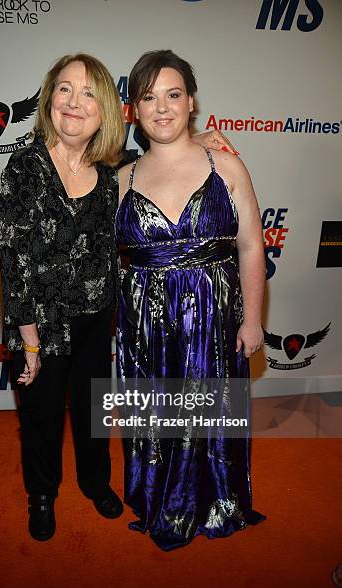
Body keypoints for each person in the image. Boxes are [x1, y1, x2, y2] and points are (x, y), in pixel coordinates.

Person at [0, 52, 235, 542]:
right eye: (65, 89)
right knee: (40, 417)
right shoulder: (23, 166)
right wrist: (31, 343)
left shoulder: (113, 168)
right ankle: (41, 496)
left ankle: (95, 483)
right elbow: (14, 264)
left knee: (92, 411)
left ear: (106, 110)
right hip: (37, 324)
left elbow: (166, 150)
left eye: (89, 93)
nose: (74, 102)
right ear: (49, 99)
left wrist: (205, 137)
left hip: (97, 316)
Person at [116, 50, 266, 551]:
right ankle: (160, 498)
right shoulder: (122, 178)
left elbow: (251, 245)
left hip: (215, 320)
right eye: (148, 97)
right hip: (147, 327)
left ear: (192, 102)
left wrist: (253, 321)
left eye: (173, 95)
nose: (162, 107)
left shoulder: (225, 165)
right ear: (134, 109)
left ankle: (218, 497)